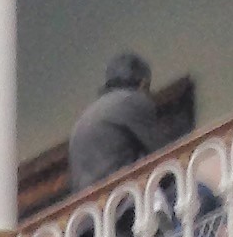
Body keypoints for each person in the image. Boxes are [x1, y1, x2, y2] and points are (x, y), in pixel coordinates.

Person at [67, 49, 176, 193]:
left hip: (93, 205)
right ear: (143, 84)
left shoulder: (85, 117)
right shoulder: (132, 100)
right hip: (124, 198)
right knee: (200, 192)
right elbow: (162, 154)